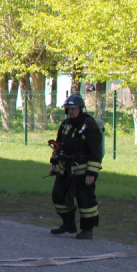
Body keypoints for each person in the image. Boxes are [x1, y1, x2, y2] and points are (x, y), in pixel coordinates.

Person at [49, 93, 104, 240]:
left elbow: (95, 151)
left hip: (82, 172)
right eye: (68, 109)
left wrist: (91, 173)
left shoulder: (89, 125)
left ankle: (87, 230)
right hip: (64, 169)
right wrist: (54, 163)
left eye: (73, 109)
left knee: (85, 201)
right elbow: (58, 145)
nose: (71, 111)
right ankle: (68, 223)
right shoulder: (66, 124)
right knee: (58, 196)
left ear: (80, 109)